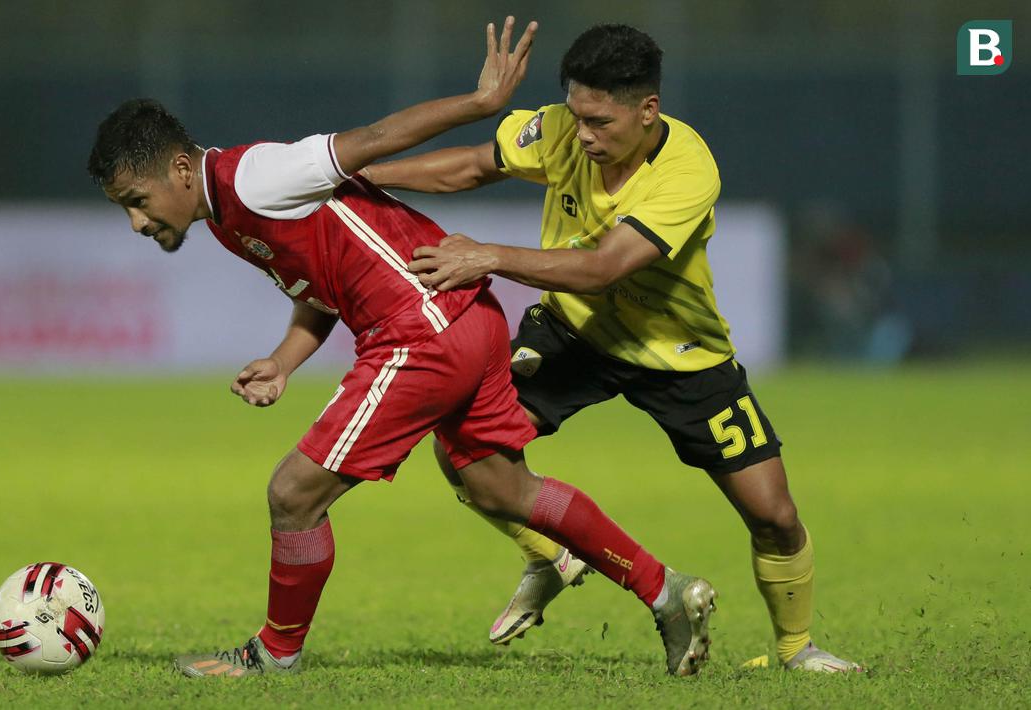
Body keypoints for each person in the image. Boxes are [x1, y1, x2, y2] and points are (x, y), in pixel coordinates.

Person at [86, 18, 716, 678]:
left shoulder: (252, 177)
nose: (136, 221)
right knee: (503, 488)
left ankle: (274, 652)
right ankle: (666, 591)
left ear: (179, 170)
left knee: (293, 494)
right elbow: (324, 288)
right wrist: (283, 360)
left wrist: (481, 104)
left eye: (137, 200)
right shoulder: (226, 207)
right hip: (463, 317)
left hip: (421, 332)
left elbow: (375, 138)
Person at [363, 23, 862, 673]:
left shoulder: (686, 170)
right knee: (464, 446)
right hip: (572, 332)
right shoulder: (560, 130)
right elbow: (474, 165)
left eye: (599, 121)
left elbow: (604, 267)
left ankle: (797, 649)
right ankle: (548, 556)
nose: (583, 135)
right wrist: (362, 175)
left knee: (773, 515)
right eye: (576, 115)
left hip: (678, 354)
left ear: (647, 109)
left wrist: (488, 255)